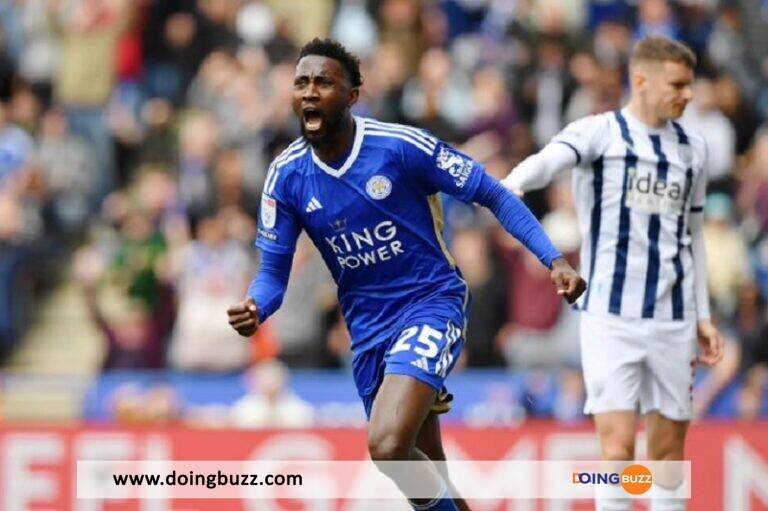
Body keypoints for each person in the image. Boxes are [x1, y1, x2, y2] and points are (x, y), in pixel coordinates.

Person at [228, 38, 585, 511]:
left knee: (389, 446)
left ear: (353, 94)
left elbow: (492, 194)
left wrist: (553, 260)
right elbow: (273, 274)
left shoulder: (399, 147)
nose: (310, 93)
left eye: (323, 82)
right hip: (368, 330)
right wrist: (256, 306)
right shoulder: (286, 177)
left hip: (431, 303)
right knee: (428, 473)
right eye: (301, 83)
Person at [502, 36, 724, 510]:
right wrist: (507, 187)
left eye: (690, 84)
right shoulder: (599, 133)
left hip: (673, 318)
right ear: (641, 80)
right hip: (610, 318)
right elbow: (546, 163)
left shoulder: (694, 149)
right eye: (678, 85)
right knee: (618, 452)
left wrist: (702, 315)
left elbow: (694, 235)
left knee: (666, 457)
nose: (687, 95)